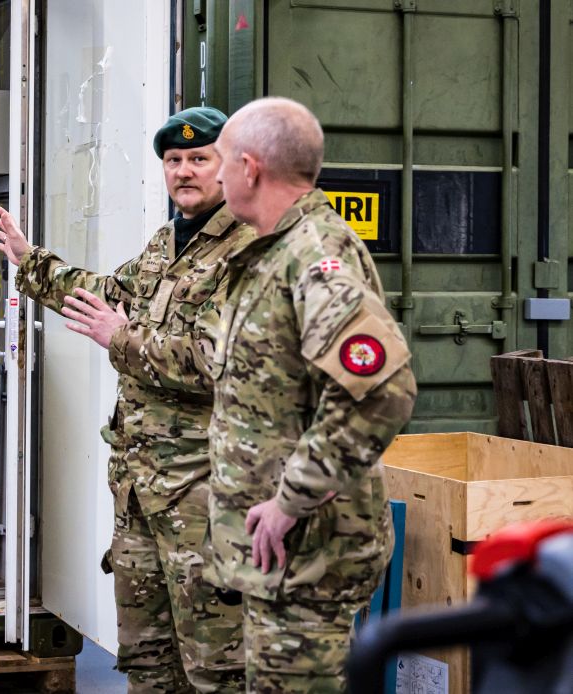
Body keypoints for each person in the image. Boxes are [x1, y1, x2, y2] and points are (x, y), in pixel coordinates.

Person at [0, 107, 255, 692]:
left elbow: (222, 362)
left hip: (204, 499)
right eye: (174, 161)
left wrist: (121, 337)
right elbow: (107, 294)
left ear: (231, 165)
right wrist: (29, 260)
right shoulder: (167, 244)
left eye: (198, 159)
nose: (184, 171)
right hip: (139, 492)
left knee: (216, 667)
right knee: (147, 660)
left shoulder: (249, 250)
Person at [205, 96, 417, 692]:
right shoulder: (272, 252)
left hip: (307, 560)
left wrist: (290, 500)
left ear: (250, 168)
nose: (217, 175)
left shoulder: (314, 257)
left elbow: (383, 391)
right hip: (282, 566)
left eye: (222, 161)